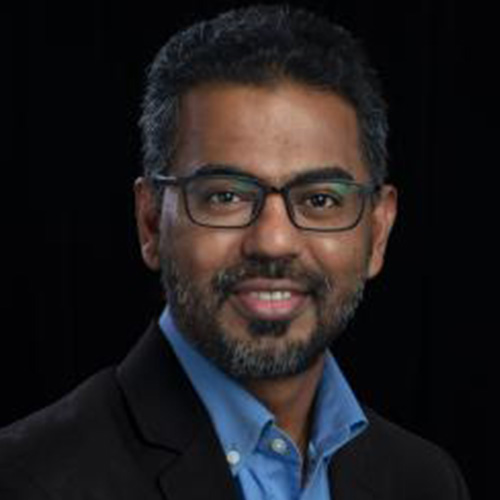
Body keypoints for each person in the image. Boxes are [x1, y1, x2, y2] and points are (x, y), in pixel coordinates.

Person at [0, 4, 470, 499]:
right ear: (151, 222)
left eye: (320, 200)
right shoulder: (27, 480)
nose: (273, 242)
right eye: (225, 195)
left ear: (377, 233)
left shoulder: (426, 480)